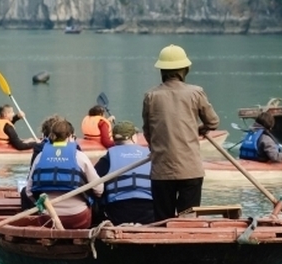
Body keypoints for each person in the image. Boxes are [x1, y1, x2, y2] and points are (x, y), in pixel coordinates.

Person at [142, 44, 220, 222]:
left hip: (162, 170)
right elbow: (213, 122)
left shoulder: (150, 96)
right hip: (190, 169)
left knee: (163, 221)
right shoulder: (195, 93)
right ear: (185, 70)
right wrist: (197, 129)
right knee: (188, 222)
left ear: (162, 71)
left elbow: (148, 132)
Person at [25, 119, 102, 229]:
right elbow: (99, 189)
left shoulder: (40, 156)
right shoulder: (80, 156)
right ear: (70, 136)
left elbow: (29, 191)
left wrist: (42, 205)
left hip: (48, 218)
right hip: (78, 217)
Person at [94, 121, 154, 225]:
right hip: (149, 211)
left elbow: (93, 182)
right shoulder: (149, 155)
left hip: (118, 212)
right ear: (133, 137)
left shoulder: (108, 157)